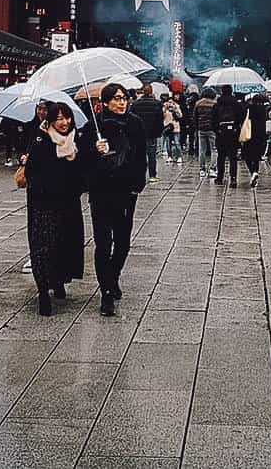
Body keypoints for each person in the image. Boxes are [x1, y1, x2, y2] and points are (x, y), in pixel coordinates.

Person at [84, 82, 147, 316]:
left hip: (125, 190)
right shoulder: (95, 125)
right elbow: (83, 158)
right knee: (103, 242)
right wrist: (94, 149)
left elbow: (142, 154)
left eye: (124, 98)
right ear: (106, 102)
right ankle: (106, 292)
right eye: (116, 98)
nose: (122, 102)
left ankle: (113, 276)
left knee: (122, 241)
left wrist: (137, 184)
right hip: (101, 190)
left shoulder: (135, 123)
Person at [22, 101, 86, 315]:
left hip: (68, 202)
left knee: (64, 243)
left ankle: (58, 281)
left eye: (66, 117)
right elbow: (31, 172)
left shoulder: (77, 140)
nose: (64, 122)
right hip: (43, 204)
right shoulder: (40, 139)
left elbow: (83, 171)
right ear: (49, 120)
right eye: (58, 118)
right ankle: (42, 291)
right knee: (43, 246)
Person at [129, 84, 164, 182]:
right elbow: (160, 119)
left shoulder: (136, 103)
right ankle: (152, 175)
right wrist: (159, 131)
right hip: (152, 133)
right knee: (152, 154)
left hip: (139, 133)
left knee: (140, 155)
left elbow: (131, 118)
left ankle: (140, 175)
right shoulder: (157, 103)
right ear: (151, 91)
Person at [212, 85, 244, 187]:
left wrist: (217, 130)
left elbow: (213, 120)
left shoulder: (217, 104)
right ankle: (233, 179)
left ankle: (220, 177)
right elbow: (242, 117)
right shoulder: (236, 104)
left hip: (221, 134)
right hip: (233, 134)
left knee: (221, 156)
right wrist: (236, 128)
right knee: (233, 157)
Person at [241, 93, 268, 188]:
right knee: (256, 157)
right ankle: (255, 171)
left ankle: (252, 172)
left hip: (249, 136)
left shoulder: (248, 108)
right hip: (260, 136)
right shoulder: (264, 111)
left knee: (247, 156)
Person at [194, 88, 217, 178]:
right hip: (212, 129)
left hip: (201, 129)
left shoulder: (198, 103)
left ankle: (202, 170)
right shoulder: (214, 104)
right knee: (214, 149)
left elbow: (194, 116)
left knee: (202, 150)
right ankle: (212, 169)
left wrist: (197, 127)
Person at [161, 94, 184, 167]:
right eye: (169, 102)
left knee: (177, 143)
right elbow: (161, 116)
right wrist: (165, 108)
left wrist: (175, 109)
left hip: (175, 127)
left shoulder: (177, 106)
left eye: (172, 102)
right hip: (167, 127)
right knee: (168, 143)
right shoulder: (165, 107)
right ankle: (170, 156)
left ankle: (179, 157)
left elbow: (180, 116)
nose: (170, 104)